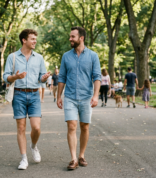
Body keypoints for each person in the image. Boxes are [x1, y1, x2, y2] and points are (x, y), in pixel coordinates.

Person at [3, 29, 50, 170]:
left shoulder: (39, 58)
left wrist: (44, 78)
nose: (35, 41)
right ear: (24, 40)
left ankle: (34, 146)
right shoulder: (12, 57)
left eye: (35, 39)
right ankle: (24, 159)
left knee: (36, 127)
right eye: (32, 39)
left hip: (34, 94)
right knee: (21, 127)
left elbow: (41, 78)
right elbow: (6, 77)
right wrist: (16, 77)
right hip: (19, 95)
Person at [57, 26, 101, 170]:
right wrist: (59, 96)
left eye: (72, 36)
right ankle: (73, 159)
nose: (70, 39)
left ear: (81, 38)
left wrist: (95, 95)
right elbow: (62, 77)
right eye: (70, 36)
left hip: (86, 97)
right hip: (70, 96)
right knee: (71, 126)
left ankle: (81, 155)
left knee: (84, 126)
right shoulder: (66, 56)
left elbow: (97, 77)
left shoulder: (93, 56)